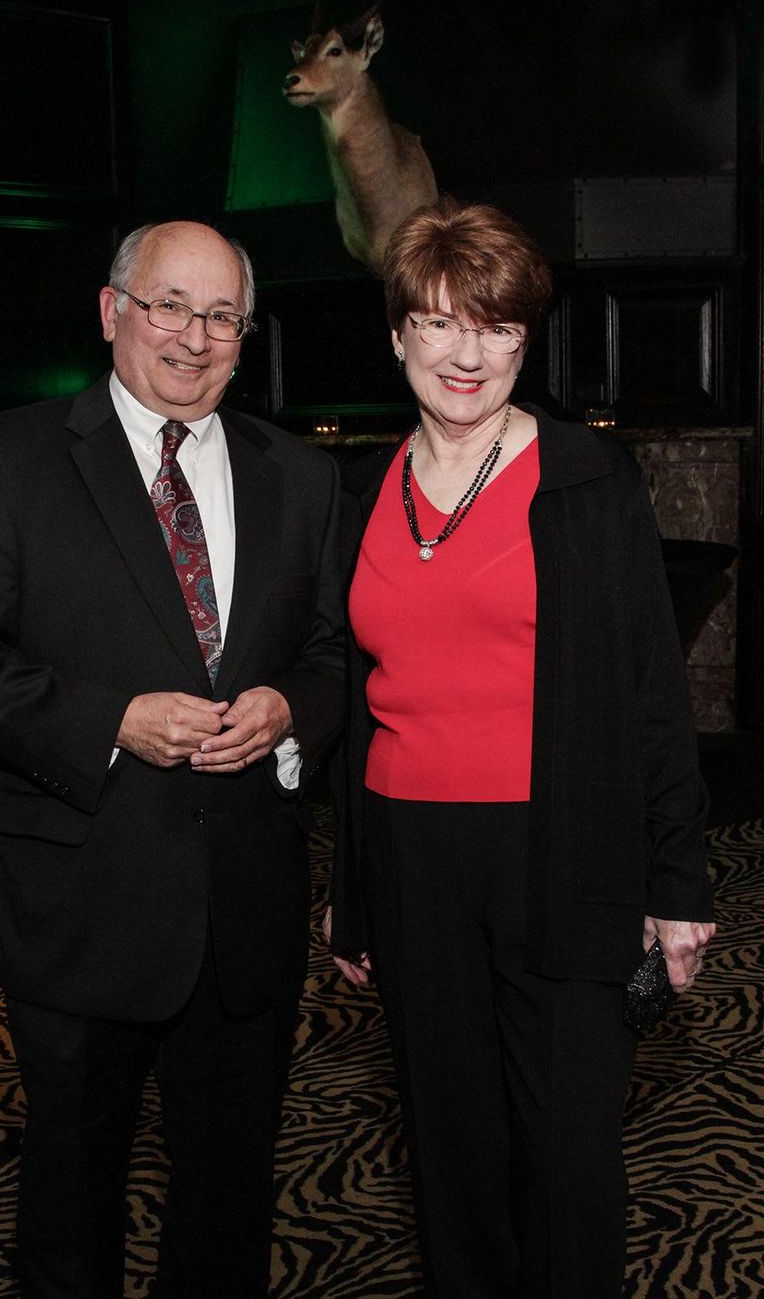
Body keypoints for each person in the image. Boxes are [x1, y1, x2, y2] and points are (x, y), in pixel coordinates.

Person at [0, 220, 345, 1298]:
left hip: (247, 903)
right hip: (83, 899)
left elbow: (335, 651)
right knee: (69, 1194)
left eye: (219, 316)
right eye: (167, 305)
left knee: (228, 1193)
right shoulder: (7, 458)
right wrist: (110, 722)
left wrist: (290, 706)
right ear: (112, 310)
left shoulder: (298, 473)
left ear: (246, 336)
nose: (191, 338)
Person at [326, 198, 716, 1299]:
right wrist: (351, 887)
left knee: (566, 1153)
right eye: (441, 323)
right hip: (411, 861)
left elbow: (651, 689)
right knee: (448, 1150)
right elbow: (356, 700)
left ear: (522, 340)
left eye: (496, 327)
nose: (468, 353)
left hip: (565, 854)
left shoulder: (588, 483)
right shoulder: (353, 489)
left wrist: (674, 880)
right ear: (397, 332)